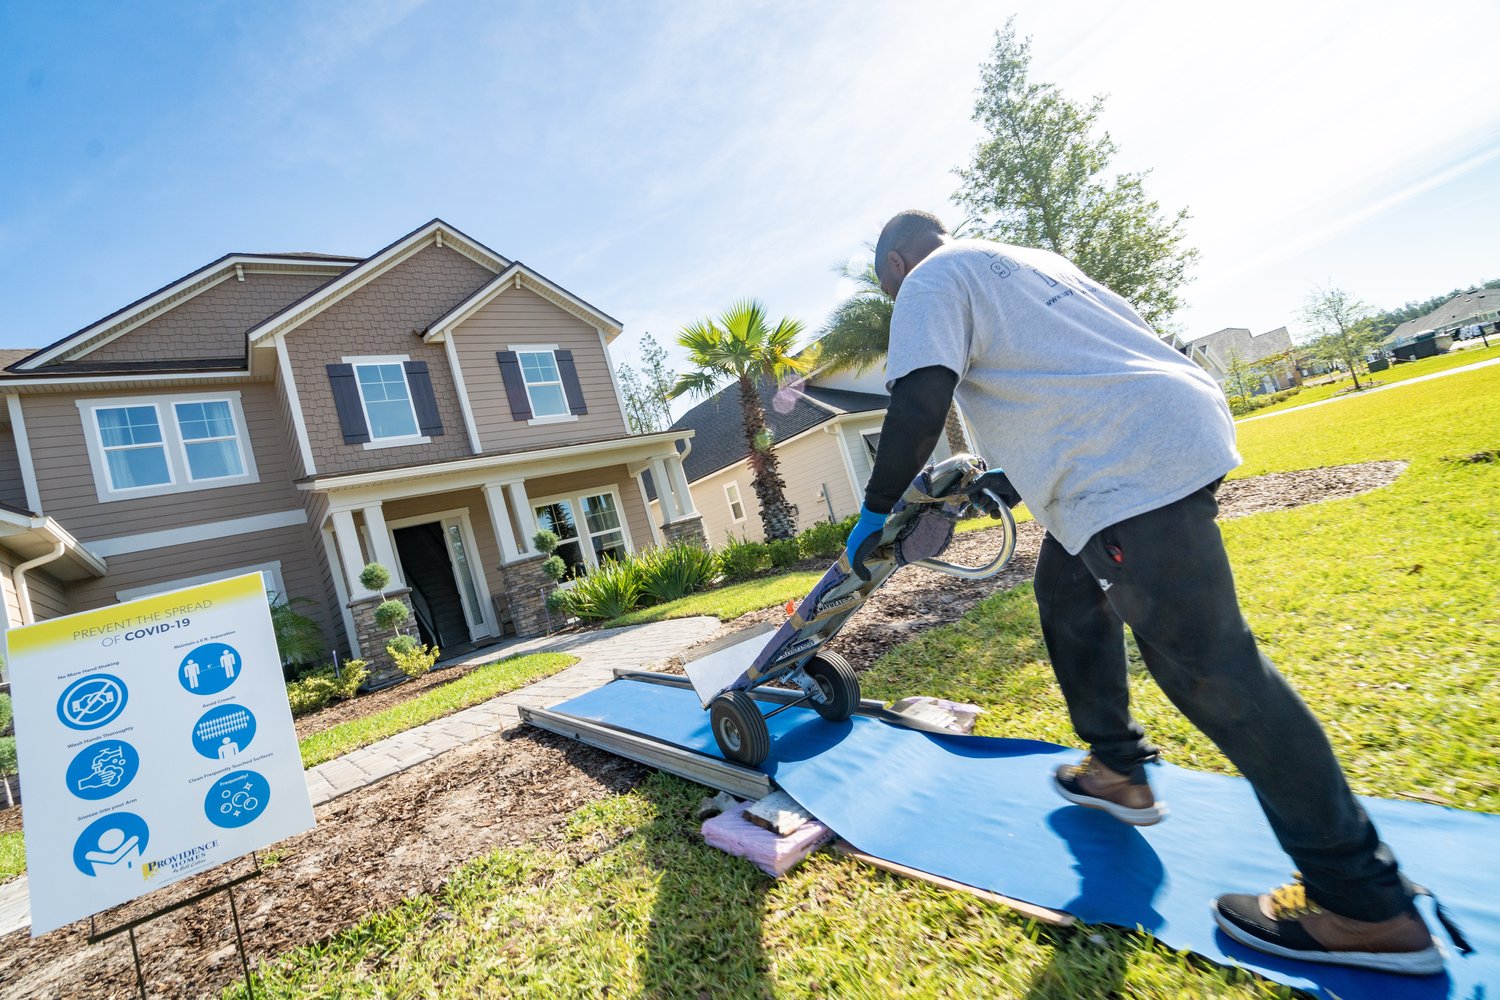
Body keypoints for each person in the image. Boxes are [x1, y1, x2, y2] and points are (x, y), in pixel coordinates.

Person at [844, 210, 1449, 974]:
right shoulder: (1030, 261)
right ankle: (1117, 770)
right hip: (1162, 426)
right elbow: (1074, 373)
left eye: (886, 286)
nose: (895, 298)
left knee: (1214, 671)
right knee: (1067, 596)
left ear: (896, 264)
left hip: (1123, 462)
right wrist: (997, 477)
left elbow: (920, 404)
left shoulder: (928, 280)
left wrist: (874, 513)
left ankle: (1365, 906)